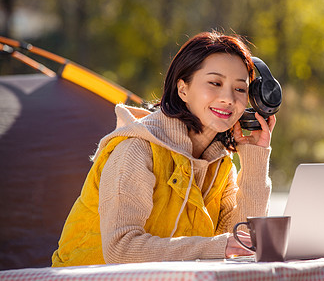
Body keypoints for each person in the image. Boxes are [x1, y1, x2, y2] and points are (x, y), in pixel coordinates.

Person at [51, 31, 276, 266]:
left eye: (240, 89)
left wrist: (254, 161)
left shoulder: (219, 166)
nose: (229, 98)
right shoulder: (135, 150)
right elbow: (120, 249)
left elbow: (242, 242)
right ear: (183, 90)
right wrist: (216, 247)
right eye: (215, 83)